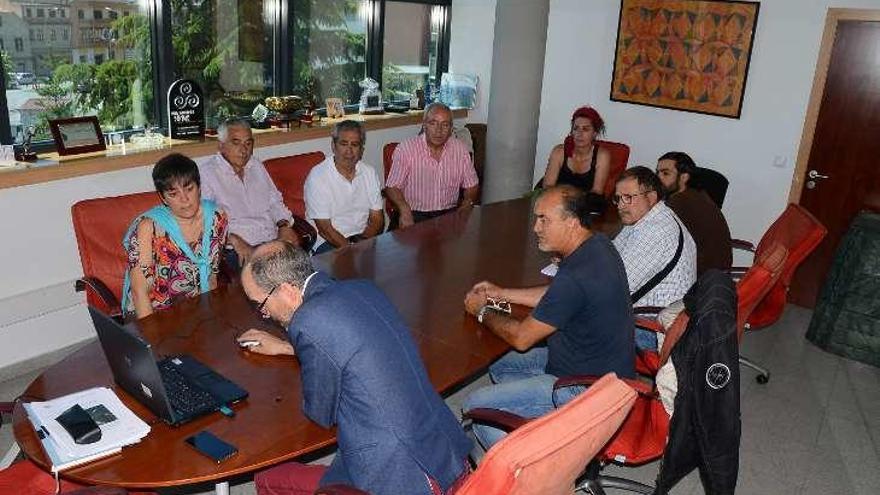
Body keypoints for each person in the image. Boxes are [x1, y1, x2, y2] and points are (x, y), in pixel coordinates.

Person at [237, 242, 471, 495]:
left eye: (260, 306)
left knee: (267, 479)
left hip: (403, 474)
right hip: (446, 451)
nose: (265, 315)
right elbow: (356, 345)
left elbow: (321, 414)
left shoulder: (308, 321)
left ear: (287, 290)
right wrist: (288, 347)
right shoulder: (362, 289)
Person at [461, 185, 635, 451]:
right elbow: (557, 295)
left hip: (583, 390)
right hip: (603, 375)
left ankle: (526, 471)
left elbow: (521, 338)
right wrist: (501, 293)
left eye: (544, 219)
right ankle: (546, 427)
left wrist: (482, 311)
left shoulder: (577, 275)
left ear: (572, 223)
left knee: (476, 406)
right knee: (499, 365)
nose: (536, 228)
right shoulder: (597, 245)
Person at [122, 153, 228, 318]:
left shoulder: (217, 217)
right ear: (163, 198)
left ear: (199, 187)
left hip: (195, 309)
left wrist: (211, 318)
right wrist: (153, 340)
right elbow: (139, 292)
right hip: (152, 313)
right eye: (173, 194)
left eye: (189, 189)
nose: (184, 199)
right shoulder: (149, 228)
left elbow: (212, 276)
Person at [613, 166, 697, 350]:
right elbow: (613, 251)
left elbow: (613, 288)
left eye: (628, 197)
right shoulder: (645, 217)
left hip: (653, 327)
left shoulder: (655, 230)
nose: (620, 205)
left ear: (650, 198)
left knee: (568, 324)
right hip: (648, 314)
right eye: (618, 198)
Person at [198, 119, 299, 268]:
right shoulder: (207, 174)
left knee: (303, 273)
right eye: (236, 142)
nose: (243, 150)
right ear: (221, 145)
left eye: (248, 143)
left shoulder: (256, 165)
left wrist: (284, 225)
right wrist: (233, 239)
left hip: (272, 240)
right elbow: (205, 222)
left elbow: (274, 201)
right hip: (238, 250)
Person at [385, 102, 479, 227]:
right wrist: (404, 209)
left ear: (451, 128)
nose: (438, 130)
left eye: (445, 125)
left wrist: (468, 201)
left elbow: (472, 185)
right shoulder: (406, 149)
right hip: (414, 214)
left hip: (448, 216)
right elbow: (392, 187)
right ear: (424, 125)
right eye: (433, 123)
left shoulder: (460, 149)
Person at [304, 120, 384, 254]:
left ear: (361, 150)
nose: (349, 151)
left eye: (355, 145)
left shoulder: (369, 172)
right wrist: (353, 251)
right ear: (333, 146)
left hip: (362, 237)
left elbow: (377, 218)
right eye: (343, 144)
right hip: (330, 242)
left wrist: (364, 242)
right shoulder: (318, 177)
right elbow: (325, 229)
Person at [656, 152, 732, 275]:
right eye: (657, 173)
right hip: (712, 273)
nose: (658, 178)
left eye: (665, 173)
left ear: (684, 177)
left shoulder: (680, 202)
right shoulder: (696, 194)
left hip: (698, 277)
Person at [541, 106, 611, 194]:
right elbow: (548, 186)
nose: (579, 134)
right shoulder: (559, 152)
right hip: (557, 200)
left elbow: (597, 192)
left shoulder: (602, 156)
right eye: (576, 128)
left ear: (594, 133)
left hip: (587, 203)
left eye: (585, 129)